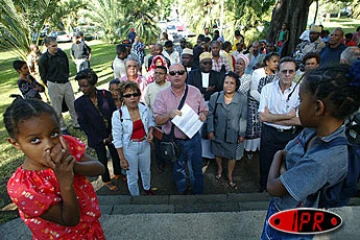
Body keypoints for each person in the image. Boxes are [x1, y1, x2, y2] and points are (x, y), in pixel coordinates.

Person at [261, 62, 360, 239]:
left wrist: (278, 156)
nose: (297, 106)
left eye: (300, 100)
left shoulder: (321, 161)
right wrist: (286, 169)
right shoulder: (313, 129)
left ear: (318, 108)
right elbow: (288, 153)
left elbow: (273, 187)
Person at [5, 98, 105, 239]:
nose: (49, 145)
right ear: (16, 143)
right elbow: (70, 220)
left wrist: (73, 164)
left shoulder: (65, 145)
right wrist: (65, 184)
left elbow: (99, 168)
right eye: (35, 140)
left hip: (91, 229)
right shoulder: (23, 187)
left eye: (53, 134)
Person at [153, 63, 208, 194]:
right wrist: (169, 115)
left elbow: (205, 111)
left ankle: (198, 194)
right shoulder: (162, 96)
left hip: (193, 139)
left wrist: (203, 115)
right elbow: (157, 120)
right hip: (175, 140)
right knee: (178, 169)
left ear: (186, 74)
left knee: (196, 168)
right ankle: (182, 193)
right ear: (168, 77)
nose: (176, 75)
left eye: (180, 72)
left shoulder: (195, 92)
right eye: (173, 73)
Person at [74, 69, 123, 192]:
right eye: (80, 86)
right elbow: (84, 124)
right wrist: (101, 139)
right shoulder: (79, 103)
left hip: (111, 132)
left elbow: (114, 114)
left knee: (116, 154)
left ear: (93, 84)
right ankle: (106, 179)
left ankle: (118, 172)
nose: (82, 89)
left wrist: (112, 133)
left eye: (85, 86)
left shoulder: (105, 95)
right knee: (102, 159)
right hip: (96, 136)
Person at [258, 57, 301, 193]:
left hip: (290, 135)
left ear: (295, 73)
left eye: (291, 71)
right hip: (270, 133)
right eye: (284, 71)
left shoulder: (300, 91)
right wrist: (288, 116)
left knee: (288, 164)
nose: (287, 74)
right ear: (278, 72)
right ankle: (264, 189)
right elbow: (262, 117)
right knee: (265, 164)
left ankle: (284, 191)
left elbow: (299, 121)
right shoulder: (267, 89)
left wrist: (271, 117)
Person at [112, 81, 155, 196]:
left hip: (145, 144)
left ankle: (147, 188)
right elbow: (117, 139)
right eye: (128, 95)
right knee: (132, 175)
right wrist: (122, 158)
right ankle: (135, 196)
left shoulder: (143, 108)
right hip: (130, 148)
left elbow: (151, 121)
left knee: (146, 170)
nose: (132, 98)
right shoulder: (118, 115)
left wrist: (150, 131)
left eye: (135, 94)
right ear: (122, 98)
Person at [208, 72, 247, 188]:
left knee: (232, 155)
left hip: (233, 134)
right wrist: (210, 129)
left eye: (232, 83)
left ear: (236, 85)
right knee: (218, 152)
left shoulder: (242, 99)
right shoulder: (215, 97)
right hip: (218, 131)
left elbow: (243, 117)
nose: (228, 86)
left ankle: (229, 175)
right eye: (226, 83)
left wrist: (242, 133)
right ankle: (220, 168)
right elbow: (210, 115)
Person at [38, 37, 80, 134]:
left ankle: (76, 122)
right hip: (54, 84)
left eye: (56, 45)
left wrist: (65, 76)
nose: (56, 47)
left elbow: (66, 66)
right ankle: (62, 127)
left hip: (65, 82)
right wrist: (49, 85)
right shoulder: (43, 59)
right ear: (47, 46)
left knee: (72, 103)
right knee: (57, 107)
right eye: (53, 46)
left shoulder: (61, 54)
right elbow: (43, 74)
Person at [245, 53, 280, 159]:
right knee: (253, 127)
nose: (276, 64)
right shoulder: (258, 73)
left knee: (264, 127)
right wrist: (265, 102)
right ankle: (249, 150)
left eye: (278, 62)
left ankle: (260, 149)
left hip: (268, 105)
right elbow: (253, 91)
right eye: (274, 62)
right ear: (267, 62)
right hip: (255, 103)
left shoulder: (278, 75)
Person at [143, 66, 171, 172]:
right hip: (155, 122)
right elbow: (145, 104)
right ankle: (160, 164)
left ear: (166, 75)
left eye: (160, 73)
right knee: (158, 146)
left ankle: (172, 160)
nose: (157, 75)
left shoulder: (170, 86)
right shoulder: (149, 88)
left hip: (170, 121)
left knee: (171, 142)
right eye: (156, 73)